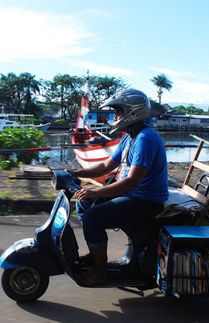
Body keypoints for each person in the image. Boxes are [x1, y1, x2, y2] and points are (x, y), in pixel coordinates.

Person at [68, 88, 168, 286]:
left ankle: (99, 271)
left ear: (133, 111)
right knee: (84, 203)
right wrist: (76, 173)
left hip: (145, 200)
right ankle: (98, 252)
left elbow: (131, 181)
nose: (116, 116)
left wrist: (95, 191)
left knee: (92, 218)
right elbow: (107, 165)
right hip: (133, 195)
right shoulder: (130, 136)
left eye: (119, 111)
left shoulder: (145, 139)